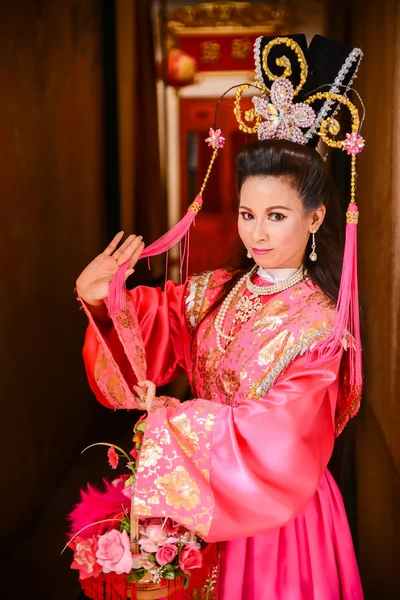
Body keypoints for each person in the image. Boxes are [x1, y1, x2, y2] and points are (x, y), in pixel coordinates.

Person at [75, 35, 364, 600]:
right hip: (198, 497)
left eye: (277, 216)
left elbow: (281, 440)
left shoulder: (320, 327)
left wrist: (174, 425)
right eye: (247, 213)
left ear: (316, 218)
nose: (257, 233)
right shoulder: (216, 291)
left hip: (280, 518)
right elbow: (150, 335)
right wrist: (104, 301)